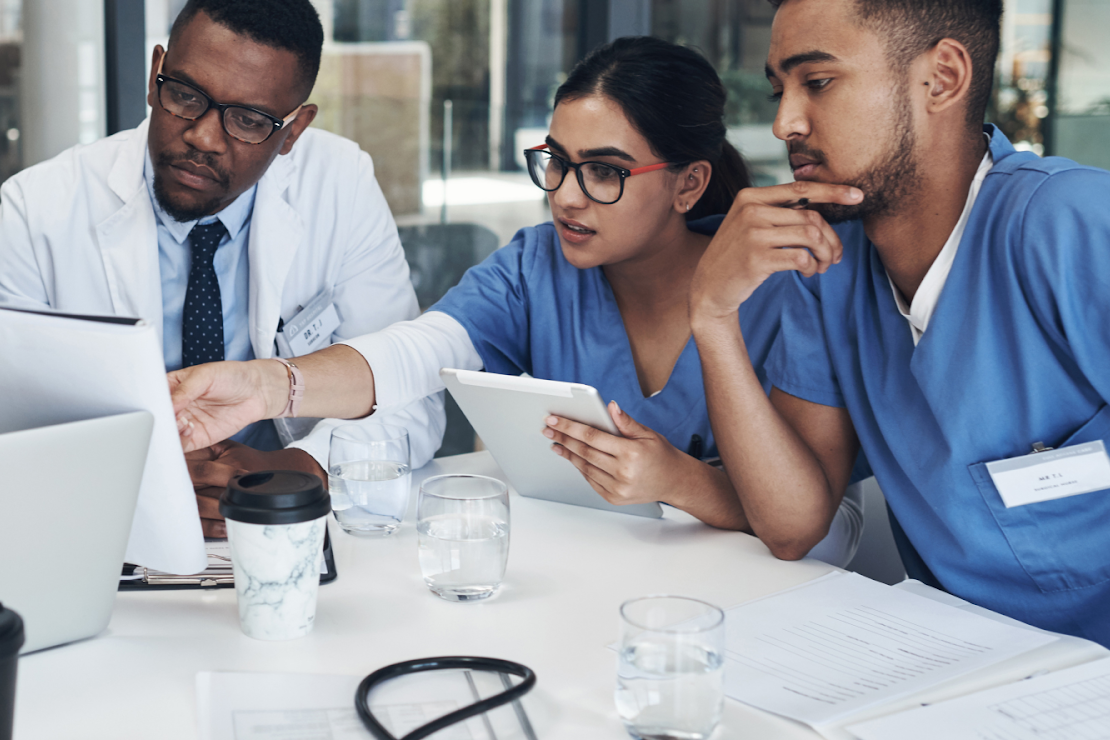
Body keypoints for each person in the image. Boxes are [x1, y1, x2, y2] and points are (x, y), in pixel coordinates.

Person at [167, 36, 863, 562]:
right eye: (556, 161)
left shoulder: (785, 282)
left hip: (767, 607)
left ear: (688, 185)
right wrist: (267, 388)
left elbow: (803, 524)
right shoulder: (539, 265)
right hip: (607, 579)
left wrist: (677, 479)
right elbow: (422, 352)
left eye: (604, 172)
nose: (564, 193)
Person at [691, 0, 1110, 653]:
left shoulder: (1074, 226)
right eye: (781, 87)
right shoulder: (824, 262)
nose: (784, 122)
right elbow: (793, 525)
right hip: (948, 680)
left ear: (942, 77)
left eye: (818, 82)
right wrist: (711, 315)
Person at [0, 0, 444, 537]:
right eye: (186, 97)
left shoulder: (339, 183)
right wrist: (142, 477)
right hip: (104, 522)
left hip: (288, 525)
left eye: (247, 121)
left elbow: (408, 397)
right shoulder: (40, 207)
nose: (203, 138)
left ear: (293, 132)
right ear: (155, 76)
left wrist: (296, 469)